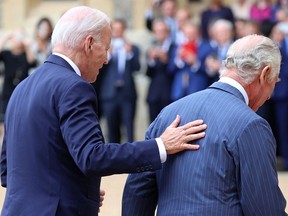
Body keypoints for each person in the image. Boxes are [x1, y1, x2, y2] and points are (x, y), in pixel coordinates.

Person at [0, 6, 208, 216]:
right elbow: (92, 156)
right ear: (89, 43)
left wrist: (77, 189)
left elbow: (8, 171)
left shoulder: (22, 88)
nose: (107, 58)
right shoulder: (74, 87)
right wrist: (160, 146)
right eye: (106, 48)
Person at [122, 34, 287, 215]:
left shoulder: (168, 113)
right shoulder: (251, 125)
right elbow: (264, 208)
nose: (270, 94)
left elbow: (137, 190)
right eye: (275, 81)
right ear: (265, 74)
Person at [98, 18, 140, 143]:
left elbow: (137, 68)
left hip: (127, 95)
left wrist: (129, 54)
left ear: (124, 30)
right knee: (111, 131)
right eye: (114, 29)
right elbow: (99, 70)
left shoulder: (133, 48)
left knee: (129, 129)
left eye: (119, 29)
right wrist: (108, 55)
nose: (117, 32)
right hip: (109, 95)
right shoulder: (103, 49)